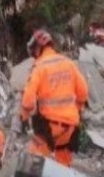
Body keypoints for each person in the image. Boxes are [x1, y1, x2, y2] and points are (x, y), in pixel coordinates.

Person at [20, 29, 89, 167]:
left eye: (34, 49)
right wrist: (77, 109)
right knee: (63, 160)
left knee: (33, 160)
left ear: (38, 48)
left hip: (50, 128)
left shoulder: (39, 67)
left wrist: (24, 118)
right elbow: (83, 92)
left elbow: (28, 101)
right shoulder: (68, 63)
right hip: (70, 127)